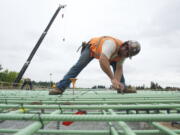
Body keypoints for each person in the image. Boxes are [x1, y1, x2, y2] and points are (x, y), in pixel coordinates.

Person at [49, 36, 141, 95]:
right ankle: (60, 87)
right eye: (126, 49)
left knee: (118, 70)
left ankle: (122, 88)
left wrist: (116, 82)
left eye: (128, 54)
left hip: (109, 56)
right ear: (124, 44)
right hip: (92, 49)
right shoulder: (111, 44)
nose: (125, 53)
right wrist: (112, 79)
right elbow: (103, 60)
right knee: (78, 66)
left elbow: (119, 69)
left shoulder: (123, 56)